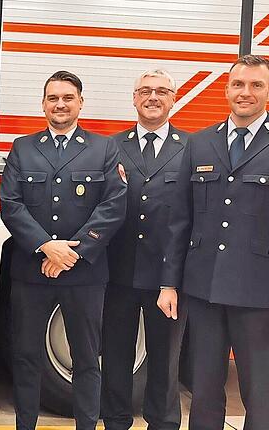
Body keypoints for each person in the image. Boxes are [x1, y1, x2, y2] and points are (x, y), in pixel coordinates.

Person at [0, 70, 126, 430]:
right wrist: (46, 246)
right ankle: (26, 424)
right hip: (32, 271)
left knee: (86, 358)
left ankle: (86, 424)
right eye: (53, 98)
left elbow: (113, 205)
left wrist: (74, 252)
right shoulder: (23, 147)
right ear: (43, 104)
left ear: (80, 103)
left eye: (68, 97)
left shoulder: (104, 148)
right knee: (25, 357)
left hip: (84, 273)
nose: (60, 104)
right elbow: (11, 204)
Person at [159, 54, 269, 430]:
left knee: (261, 393)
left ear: (267, 92)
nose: (246, 93)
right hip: (203, 287)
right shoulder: (201, 143)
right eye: (238, 84)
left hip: (259, 292)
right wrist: (169, 282)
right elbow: (180, 219)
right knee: (204, 389)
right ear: (226, 90)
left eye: (256, 85)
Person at [101, 68, 188, 430]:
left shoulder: (192, 147)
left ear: (174, 98)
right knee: (116, 358)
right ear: (134, 98)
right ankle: (115, 422)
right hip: (117, 273)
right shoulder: (110, 147)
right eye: (145, 91)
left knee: (165, 362)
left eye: (161, 91)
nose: (153, 97)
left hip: (167, 277)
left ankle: (163, 423)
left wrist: (177, 277)